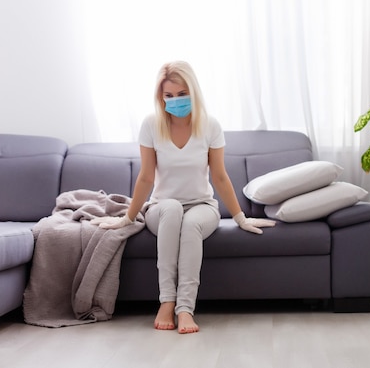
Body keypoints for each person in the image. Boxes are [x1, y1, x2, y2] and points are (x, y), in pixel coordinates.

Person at [94, 60, 275, 334]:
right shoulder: (151, 125)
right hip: (161, 208)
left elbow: (220, 176)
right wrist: (127, 218)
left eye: (181, 94)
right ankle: (166, 301)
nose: (175, 100)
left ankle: (185, 308)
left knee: (190, 224)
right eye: (168, 95)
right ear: (161, 97)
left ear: (193, 92)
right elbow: (145, 177)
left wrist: (240, 217)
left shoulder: (210, 126)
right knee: (173, 209)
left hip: (202, 206)